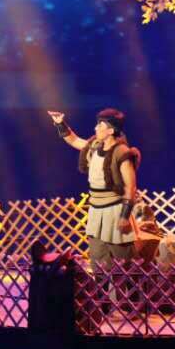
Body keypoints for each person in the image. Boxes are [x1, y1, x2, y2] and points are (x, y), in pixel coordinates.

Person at [46, 108, 140, 268]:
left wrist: (124, 216)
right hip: (96, 210)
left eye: (100, 125)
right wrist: (60, 124)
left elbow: (130, 187)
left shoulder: (122, 153)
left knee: (123, 260)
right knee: (98, 258)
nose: (95, 128)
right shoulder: (95, 146)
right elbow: (75, 141)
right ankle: (101, 284)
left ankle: (129, 285)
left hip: (115, 211)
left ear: (110, 131)